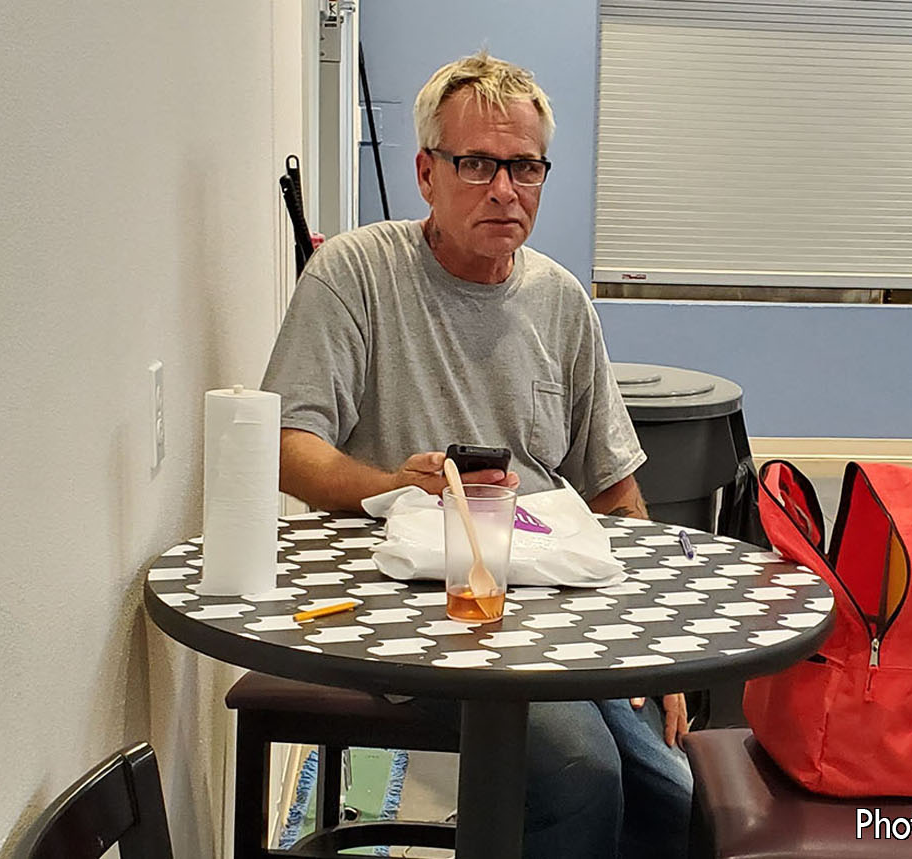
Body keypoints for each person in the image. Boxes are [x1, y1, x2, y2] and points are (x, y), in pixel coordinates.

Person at [259, 51, 692, 858]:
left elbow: (615, 490)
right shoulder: (356, 274)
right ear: (426, 172)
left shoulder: (561, 299)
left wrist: (651, 651)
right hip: (418, 609)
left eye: (524, 166)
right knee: (578, 772)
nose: (504, 189)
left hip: (552, 596)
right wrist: (391, 485)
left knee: (675, 789)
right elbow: (286, 448)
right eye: (477, 164)